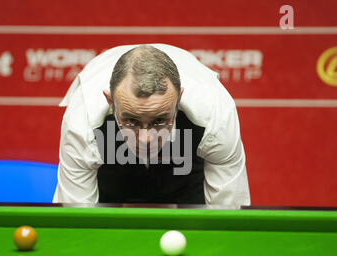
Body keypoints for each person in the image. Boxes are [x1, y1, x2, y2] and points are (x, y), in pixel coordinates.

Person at [53, 43, 250, 205]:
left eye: (159, 120)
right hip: (110, 159)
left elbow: (228, 212)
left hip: (186, 161)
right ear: (110, 102)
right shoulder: (83, 120)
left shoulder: (215, 114)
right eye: (131, 120)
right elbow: (78, 216)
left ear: (178, 99)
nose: (146, 139)